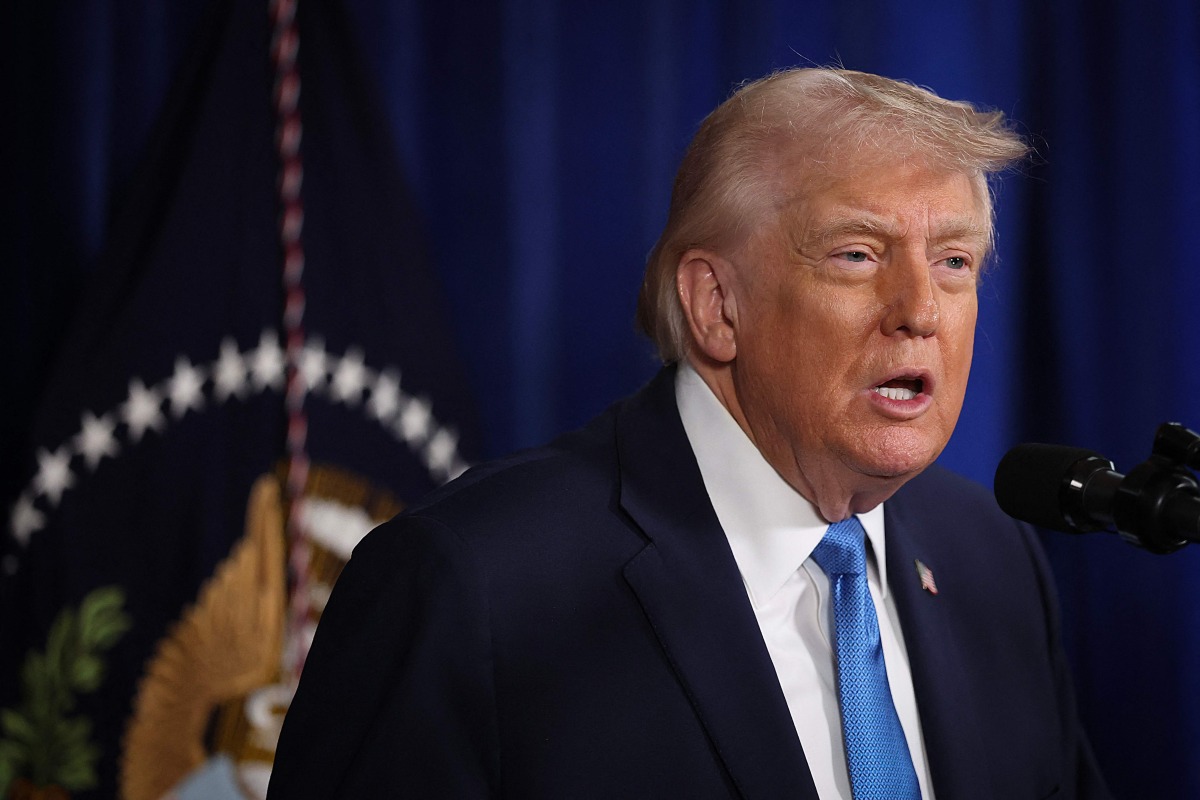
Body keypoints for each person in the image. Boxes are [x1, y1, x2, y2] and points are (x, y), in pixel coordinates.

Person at [267, 68, 1111, 799]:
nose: (922, 311)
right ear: (716, 305)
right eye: (858, 254)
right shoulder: (472, 588)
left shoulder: (990, 559)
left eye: (955, 262)